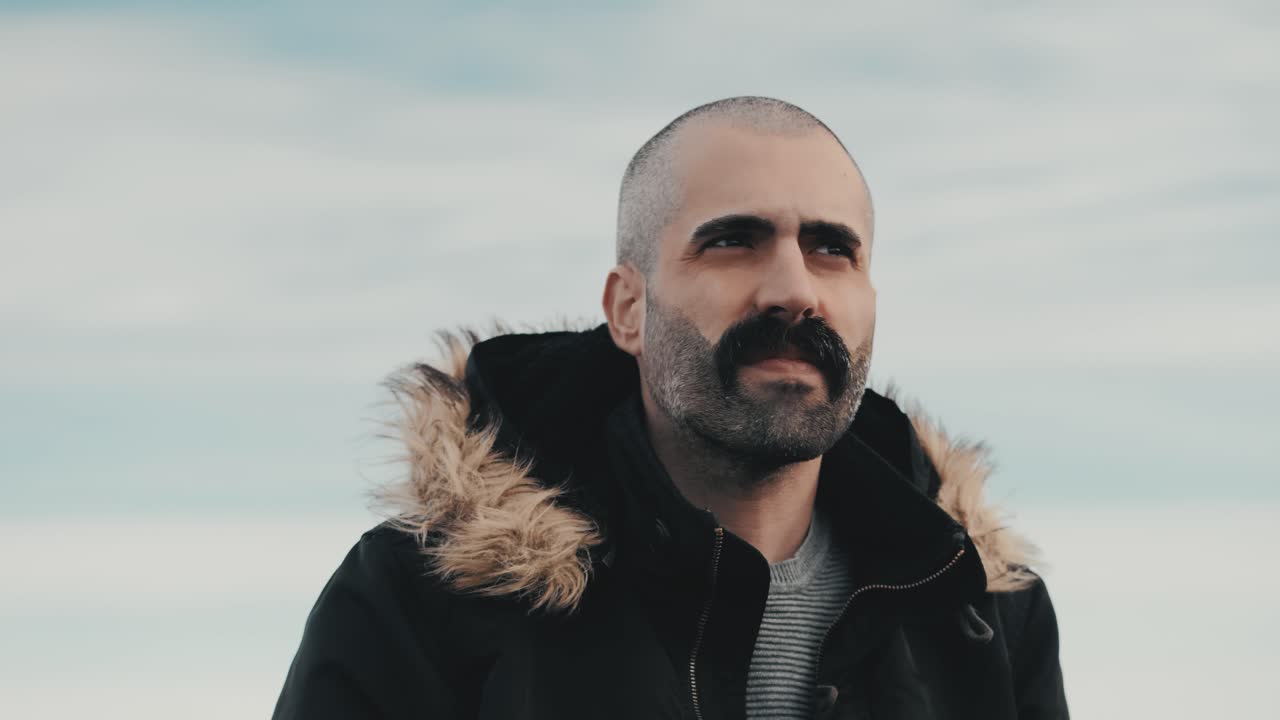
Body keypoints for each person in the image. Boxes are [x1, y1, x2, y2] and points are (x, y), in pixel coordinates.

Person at [272, 95, 1069, 719]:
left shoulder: (980, 610)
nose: (794, 288)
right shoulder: (425, 599)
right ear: (627, 309)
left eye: (832, 249)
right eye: (732, 241)